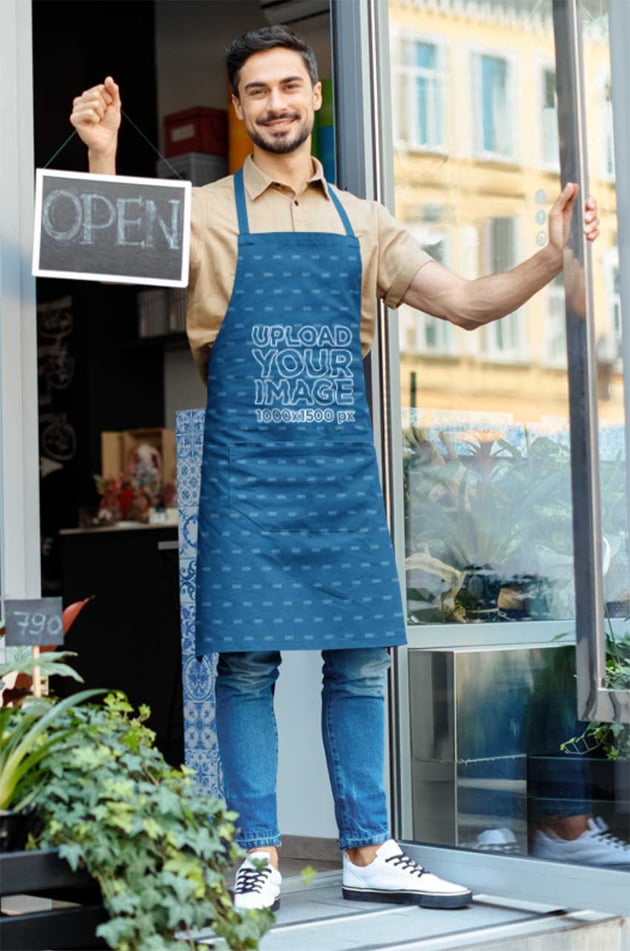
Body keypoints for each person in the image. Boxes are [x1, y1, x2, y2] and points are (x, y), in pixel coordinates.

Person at [69, 24, 600, 915]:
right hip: (246, 470)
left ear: (314, 97)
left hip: (339, 472)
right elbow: (106, 256)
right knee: (244, 666)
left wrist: (551, 257)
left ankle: (369, 847)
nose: (275, 103)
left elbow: (466, 306)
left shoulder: (366, 221)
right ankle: (256, 853)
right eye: (257, 92)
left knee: (358, 663)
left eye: (289, 86)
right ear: (239, 109)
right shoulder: (202, 212)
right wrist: (102, 153)